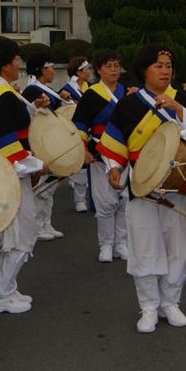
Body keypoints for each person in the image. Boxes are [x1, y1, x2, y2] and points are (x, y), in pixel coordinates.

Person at [99, 44, 186, 334]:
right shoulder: (128, 105)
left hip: (179, 185)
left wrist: (178, 109)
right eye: (158, 65)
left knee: (179, 247)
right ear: (144, 70)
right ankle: (148, 306)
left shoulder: (182, 99)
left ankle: (171, 302)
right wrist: (113, 168)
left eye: (168, 66)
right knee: (145, 247)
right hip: (143, 187)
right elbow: (113, 144)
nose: (165, 70)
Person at [0, 38, 49, 314]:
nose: (19, 64)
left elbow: (13, 120)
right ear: (6, 64)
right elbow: (6, 144)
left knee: (17, 235)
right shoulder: (1, 94)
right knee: (21, 235)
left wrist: (33, 106)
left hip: (6, 173)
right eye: (16, 59)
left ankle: (8, 287)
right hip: (10, 174)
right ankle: (1, 294)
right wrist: (39, 164)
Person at [72, 49, 129, 263]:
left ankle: (121, 243)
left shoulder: (127, 92)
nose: (114, 70)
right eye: (109, 66)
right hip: (100, 151)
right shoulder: (91, 94)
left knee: (124, 199)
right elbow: (79, 125)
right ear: (99, 69)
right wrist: (83, 149)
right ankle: (105, 244)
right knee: (105, 201)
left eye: (116, 65)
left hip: (124, 152)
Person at [22, 52, 65, 241]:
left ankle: (46, 222)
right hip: (40, 142)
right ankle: (37, 226)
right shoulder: (32, 90)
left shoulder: (46, 88)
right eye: (50, 68)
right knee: (41, 187)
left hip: (51, 140)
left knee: (50, 186)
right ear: (42, 69)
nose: (53, 71)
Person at [61, 55, 93, 213]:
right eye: (87, 69)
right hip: (75, 130)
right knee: (81, 164)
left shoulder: (90, 87)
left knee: (92, 165)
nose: (89, 72)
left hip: (91, 130)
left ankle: (91, 197)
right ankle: (79, 199)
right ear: (79, 72)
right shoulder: (67, 90)